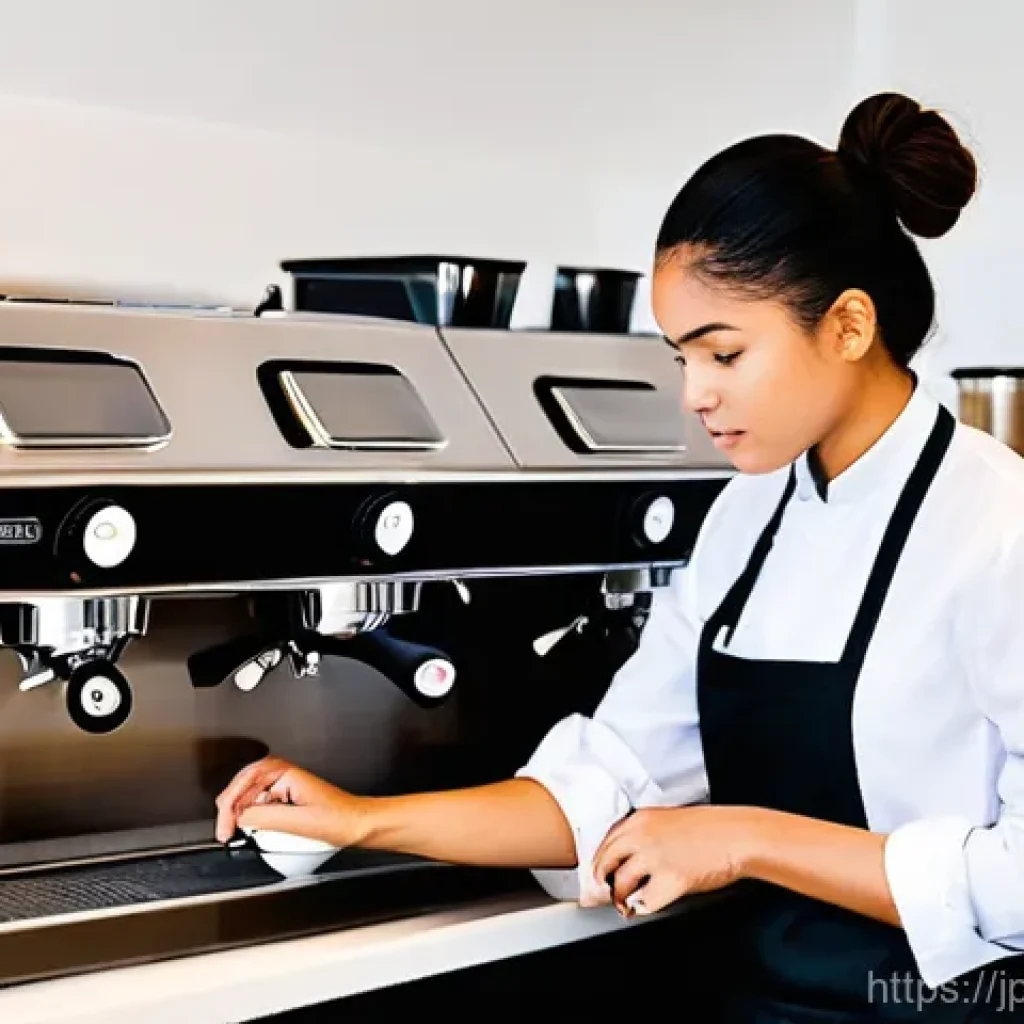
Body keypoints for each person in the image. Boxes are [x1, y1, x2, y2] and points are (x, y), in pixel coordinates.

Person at [215, 92, 1024, 1020]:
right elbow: (606, 781)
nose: (694, 396)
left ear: (847, 325)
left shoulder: (999, 530)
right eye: (682, 357)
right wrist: (363, 818)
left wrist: (745, 837)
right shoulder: (746, 520)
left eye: (723, 354)